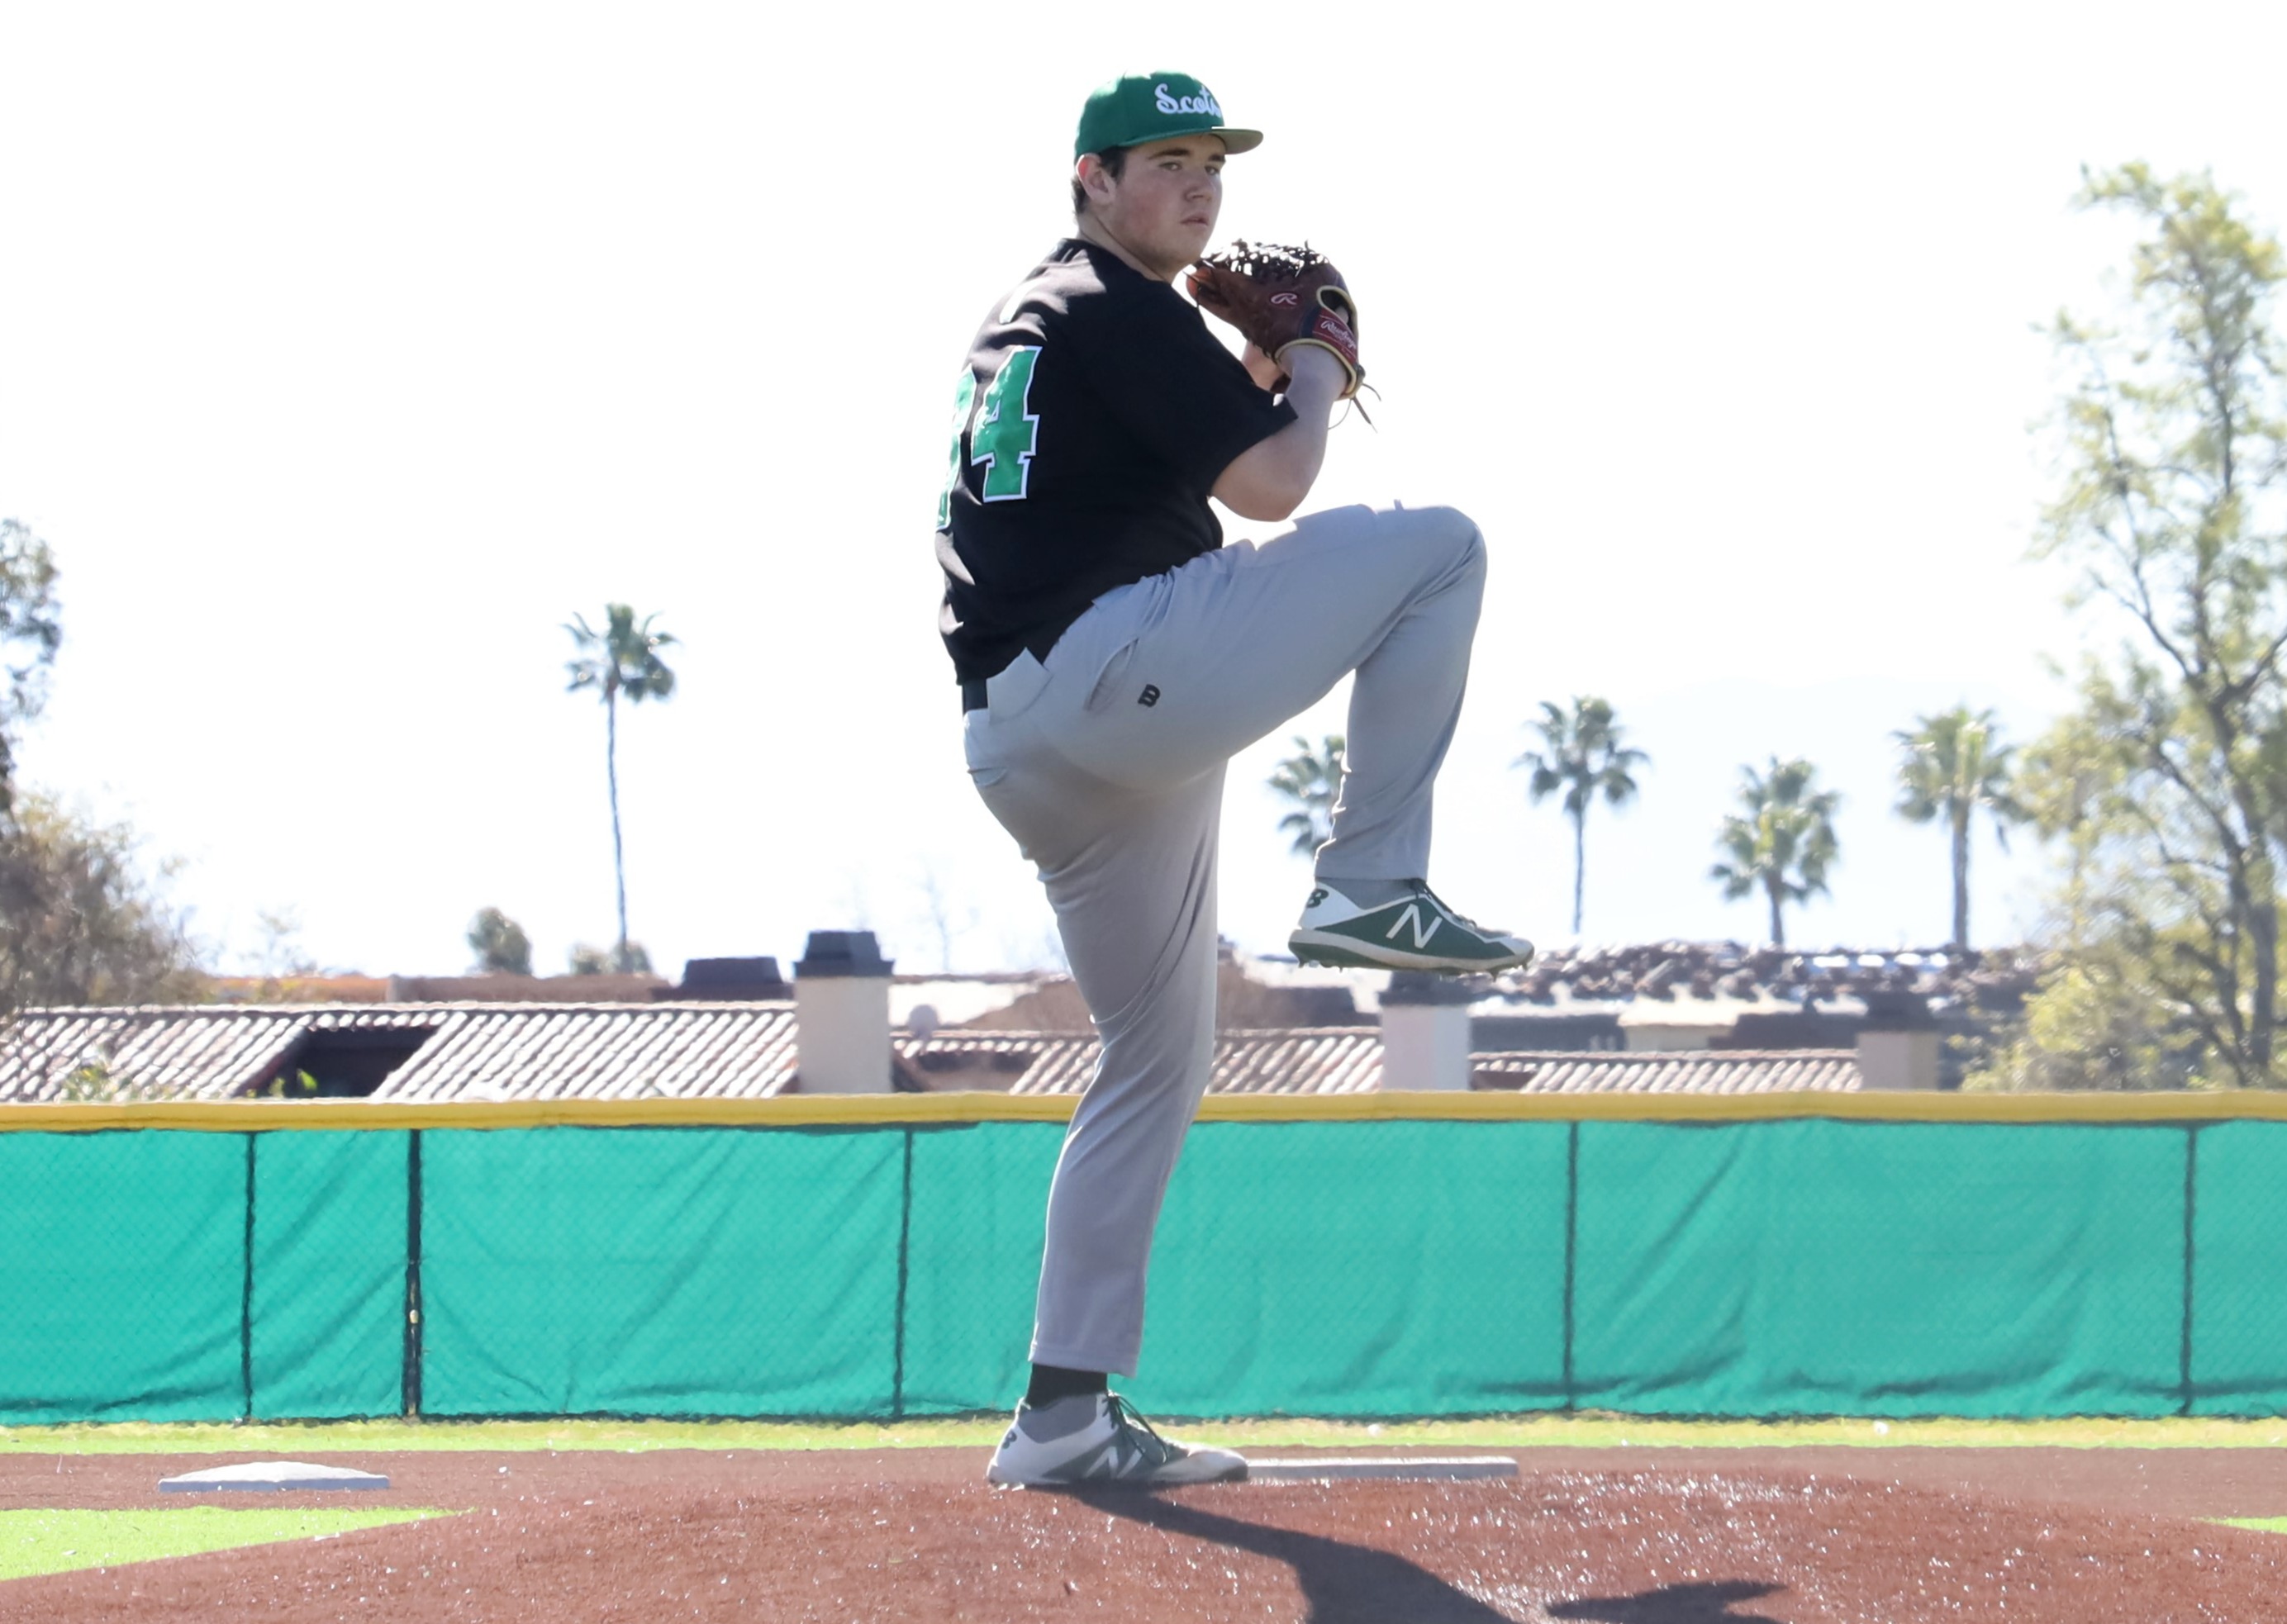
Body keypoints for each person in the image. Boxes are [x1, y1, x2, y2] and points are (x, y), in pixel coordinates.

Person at [936, 71, 1532, 1488]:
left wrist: (1265, 380)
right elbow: (1275, 484)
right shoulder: (1114, 300)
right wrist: (1314, 364)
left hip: (1029, 738)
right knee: (1441, 547)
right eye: (1164, 160)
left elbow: (1182, 450)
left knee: (1155, 1057)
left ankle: (1061, 1412)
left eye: (1212, 160)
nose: (1199, 184)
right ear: (1091, 177)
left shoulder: (1043, 315)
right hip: (1111, 670)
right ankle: (1370, 878)